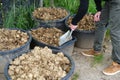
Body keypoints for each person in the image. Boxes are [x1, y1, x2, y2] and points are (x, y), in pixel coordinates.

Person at [71, 0, 120, 76]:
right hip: (109, 1)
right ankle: (96, 50)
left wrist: (74, 22)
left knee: (115, 32)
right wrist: (99, 10)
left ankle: (118, 63)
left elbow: (84, 8)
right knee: (100, 22)